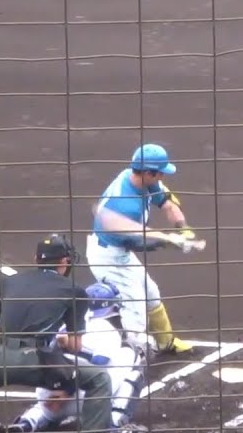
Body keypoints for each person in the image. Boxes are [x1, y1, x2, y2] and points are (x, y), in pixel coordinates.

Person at [0, 234, 114, 433]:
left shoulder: (7, 281)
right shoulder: (74, 291)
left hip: (0, 355)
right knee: (99, 378)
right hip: (38, 362)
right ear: (65, 261)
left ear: (36, 258)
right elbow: (75, 345)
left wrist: (8, 345)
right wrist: (61, 341)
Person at [0, 282, 149, 433]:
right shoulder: (107, 331)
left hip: (48, 397)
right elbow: (96, 372)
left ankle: (27, 423)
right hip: (80, 397)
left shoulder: (63, 323)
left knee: (46, 405)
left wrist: (59, 390)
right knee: (131, 355)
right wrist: (66, 392)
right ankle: (115, 423)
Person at [87, 143, 202, 355]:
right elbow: (135, 243)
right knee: (135, 308)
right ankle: (135, 355)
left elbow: (167, 203)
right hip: (108, 257)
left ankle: (166, 342)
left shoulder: (142, 181)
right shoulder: (125, 204)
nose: (163, 176)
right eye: (160, 172)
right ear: (148, 172)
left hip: (120, 251)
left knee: (151, 293)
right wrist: (167, 242)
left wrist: (183, 229)